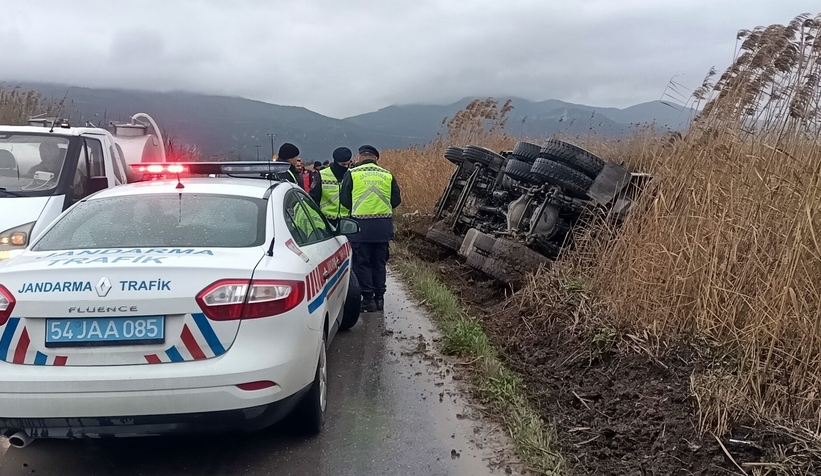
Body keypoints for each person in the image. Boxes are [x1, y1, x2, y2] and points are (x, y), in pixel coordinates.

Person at [340, 145, 401, 312]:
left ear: (360, 157)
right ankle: (380, 298)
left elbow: (345, 200)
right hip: (383, 227)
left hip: (361, 227)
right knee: (379, 263)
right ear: (376, 158)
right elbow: (396, 200)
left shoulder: (352, 174)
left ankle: (368, 299)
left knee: (362, 263)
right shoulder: (387, 175)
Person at [310, 147, 352, 228]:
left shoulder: (351, 175)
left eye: (348, 164)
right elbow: (314, 198)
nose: (346, 167)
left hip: (346, 221)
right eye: (343, 164)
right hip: (326, 221)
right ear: (336, 163)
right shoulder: (322, 175)